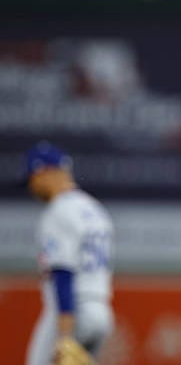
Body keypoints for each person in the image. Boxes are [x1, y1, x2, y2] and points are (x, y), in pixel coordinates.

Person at [24, 141, 114, 365]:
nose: (30, 186)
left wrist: (64, 336)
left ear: (43, 172)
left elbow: (63, 274)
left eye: (32, 178)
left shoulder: (58, 212)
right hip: (101, 313)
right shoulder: (95, 209)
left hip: (70, 313)